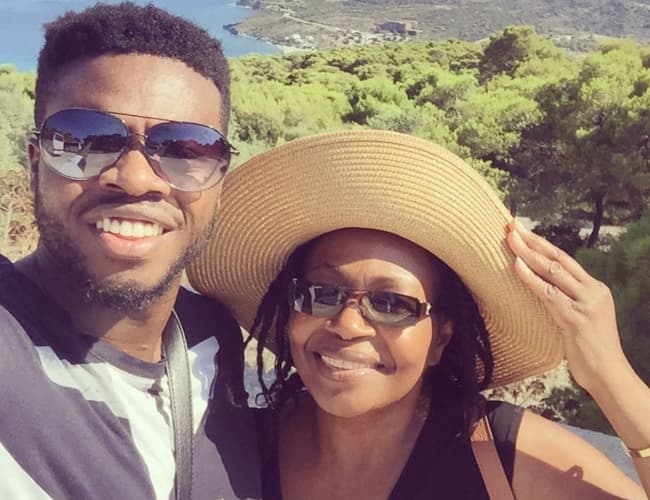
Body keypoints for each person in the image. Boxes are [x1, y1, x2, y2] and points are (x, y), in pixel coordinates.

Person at [189, 130, 650, 499]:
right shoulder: (238, 448)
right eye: (322, 292)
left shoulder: (502, 455)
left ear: (442, 339)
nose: (347, 325)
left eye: (392, 305)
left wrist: (608, 374)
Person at [0, 3, 261, 499]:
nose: (137, 179)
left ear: (219, 179)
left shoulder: (212, 336)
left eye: (186, 150)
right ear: (36, 163)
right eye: (85, 139)